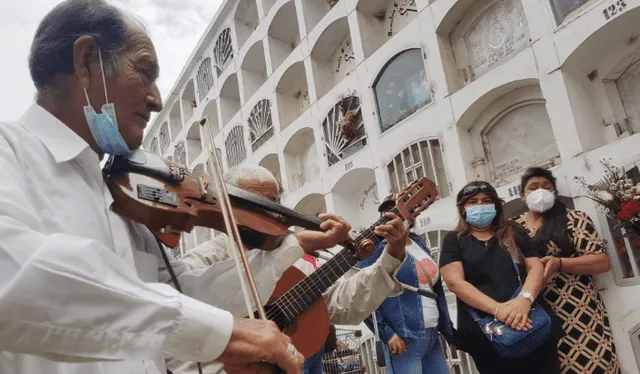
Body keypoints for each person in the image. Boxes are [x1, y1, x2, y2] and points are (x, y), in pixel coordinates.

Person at [0, 1, 345, 373]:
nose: (157, 99)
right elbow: (21, 278)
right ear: (86, 63)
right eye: (144, 72)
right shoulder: (10, 152)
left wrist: (287, 249)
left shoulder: (120, 196)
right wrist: (224, 335)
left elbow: (176, 297)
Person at [168, 165, 409, 374]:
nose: (265, 214)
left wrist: (392, 255)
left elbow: (341, 304)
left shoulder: (295, 254)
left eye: (272, 205)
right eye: (251, 204)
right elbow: (172, 325)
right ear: (228, 207)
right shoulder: (207, 258)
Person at [439, 182, 561, 374]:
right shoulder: (453, 240)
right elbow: (455, 282)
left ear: (496, 205)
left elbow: (535, 266)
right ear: (463, 207)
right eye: (473, 201)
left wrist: (524, 300)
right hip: (489, 336)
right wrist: (498, 310)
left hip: (530, 321)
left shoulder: (513, 231)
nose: (480, 205)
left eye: (487, 201)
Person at [515, 167, 620, 374]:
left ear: (554, 192)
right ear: (522, 195)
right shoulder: (512, 228)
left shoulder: (574, 219)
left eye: (546, 186)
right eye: (533, 187)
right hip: (534, 315)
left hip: (580, 312)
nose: (540, 191)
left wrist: (560, 263)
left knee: (593, 365)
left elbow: (602, 262)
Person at [358, 194, 456, 374]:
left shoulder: (419, 242)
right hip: (403, 336)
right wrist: (385, 331)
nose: (395, 216)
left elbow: (434, 288)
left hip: (432, 333)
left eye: (402, 210)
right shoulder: (375, 248)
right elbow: (361, 294)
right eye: (388, 212)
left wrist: (446, 326)